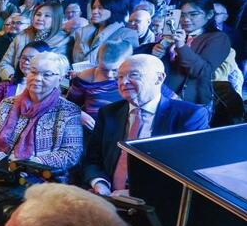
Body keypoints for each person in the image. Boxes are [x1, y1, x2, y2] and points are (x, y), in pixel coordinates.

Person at [83, 54, 209, 196]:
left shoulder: (189, 116)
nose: (123, 82)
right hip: (108, 197)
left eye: (133, 75)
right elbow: (93, 159)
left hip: (157, 200)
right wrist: (99, 183)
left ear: (159, 78)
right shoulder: (109, 112)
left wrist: (137, 194)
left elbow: (189, 171)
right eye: (119, 77)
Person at [0, 52, 83, 180]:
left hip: (45, 179)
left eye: (47, 74)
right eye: (33, 72)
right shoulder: (8, 104)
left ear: (60, 79)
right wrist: (3, 162)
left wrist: (29, 164)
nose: (37, 78)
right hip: (1, 173)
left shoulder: (68, 111)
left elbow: (71, 153)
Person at [160, 0, 233, 107]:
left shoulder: (218, 38)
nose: (186, 19)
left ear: (209, 14)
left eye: (193, 14)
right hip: (162, 93)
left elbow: (203, 71)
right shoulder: (178, 33)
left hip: (188, 101)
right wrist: (157, 50)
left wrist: (181, 46)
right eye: (182, 15)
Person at [68, 40, 134, 130]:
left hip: (122, 129)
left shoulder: (135, 80)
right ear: (97, 62)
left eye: (115, 70)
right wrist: (79, 114)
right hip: (92, 130)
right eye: (103, 69)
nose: (109, 75)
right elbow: (69, 105)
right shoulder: (87, 78)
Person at [0, 1, 69, 81]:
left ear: (56, 19)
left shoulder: (62, 42)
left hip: (42, 85)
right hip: (16, 81)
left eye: (47, 16)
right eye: (38, 14)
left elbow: (57, 73)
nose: (40, 18)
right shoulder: (22, 36)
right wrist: (12, 78)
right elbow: (5, 63)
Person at [72, 0, 140, 66]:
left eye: (100, 8)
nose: (94, 12)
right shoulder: (83, 32)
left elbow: (123, 65)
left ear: (114, 9)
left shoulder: (127, 34)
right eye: (93, 8)